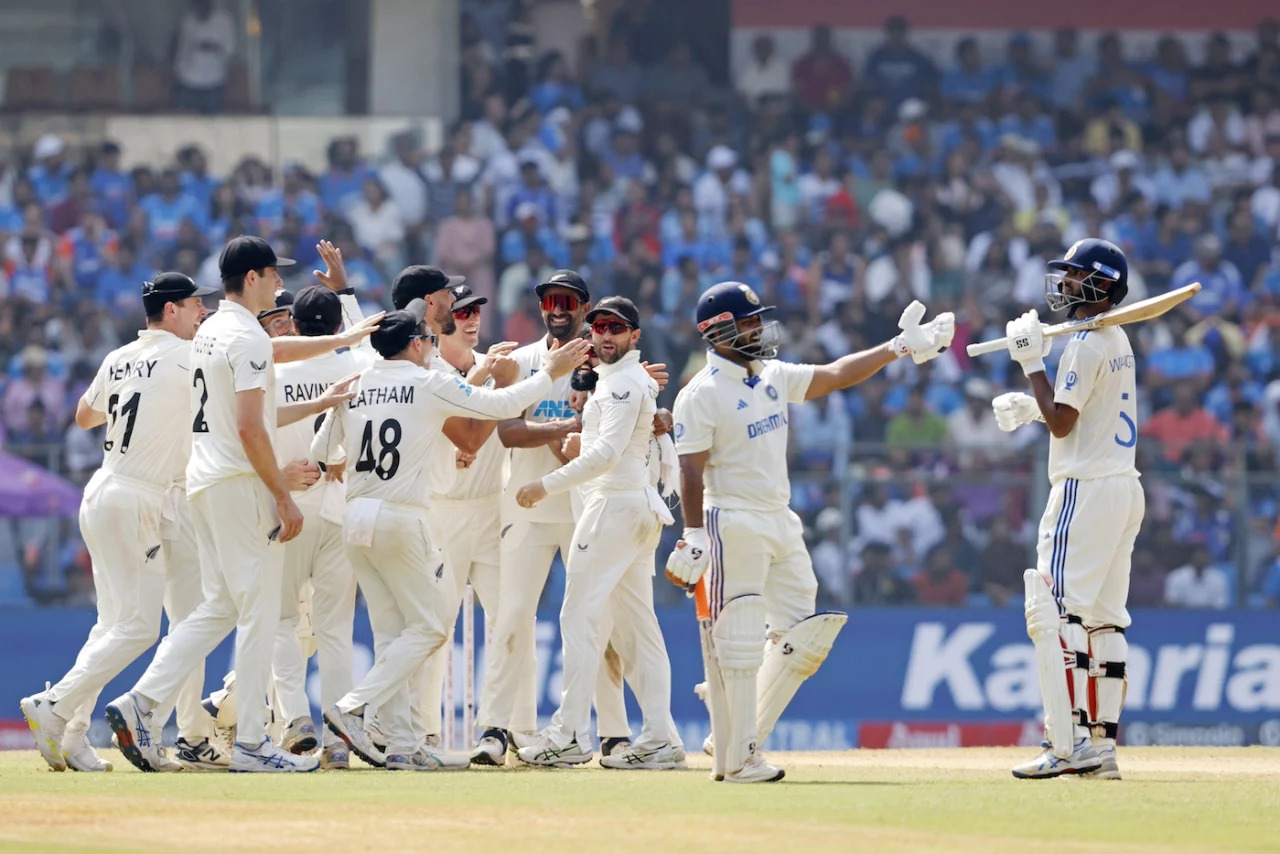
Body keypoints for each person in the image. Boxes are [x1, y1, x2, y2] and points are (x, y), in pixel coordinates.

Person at [103, 236, 378, 773]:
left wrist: (340, 340)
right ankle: (252, 741)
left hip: (205, 484)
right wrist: (282, 494)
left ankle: (140, 702)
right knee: (256, 613)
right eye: (273, 274)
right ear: (251, 278)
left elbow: (273, 354)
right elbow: (253, 425)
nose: (280, 283)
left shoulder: (213, 331)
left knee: (222, 607)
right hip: (238, 484)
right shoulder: (243, 336)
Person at [665, 281, 954, 782]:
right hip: (730, 518)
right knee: (739, 636)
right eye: (747, 322)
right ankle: (738, 759)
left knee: (806, 631)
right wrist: (693, 534)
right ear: (719, 332)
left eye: (757, 320)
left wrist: (898, 347)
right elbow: (690, 471)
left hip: (779, 516)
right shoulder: (701, 394)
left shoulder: (772, 374)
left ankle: (737, 718)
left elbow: (835, 375)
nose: (758, 329)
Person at [312, 299, 591, 771]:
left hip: (356, 516)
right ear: (417, 344)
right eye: (425, 340)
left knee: (392, 632)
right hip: (402, 516)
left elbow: (325, 451)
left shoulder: (357, 383)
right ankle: (353, 706)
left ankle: (403, 743)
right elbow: (501, 405)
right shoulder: (427, 381)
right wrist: (549, 372)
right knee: (429, 628)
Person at [19, 272, 216, 773]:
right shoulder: (188, 357)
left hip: (105, 490)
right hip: (139, 499)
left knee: (111, 625)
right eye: (196, 305)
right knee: (138, 629)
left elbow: (85, 417)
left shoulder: (119, 357)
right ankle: (56, 704)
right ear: (171, 311)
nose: (203, 314)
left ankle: (73, 735)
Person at [992, 237, 1141, 781]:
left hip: (1084, 488)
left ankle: (1066, 741)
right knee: (1104, 621)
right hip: (1123, 486)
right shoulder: (1116, 338)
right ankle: (1100, 747)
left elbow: (1064, 424)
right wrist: (1033, 408)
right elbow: (1083, 415)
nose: (1065, 284)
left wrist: (1032, 365)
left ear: (1100, 285)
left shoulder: (1085, 342)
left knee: (1055, 611)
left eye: (1075, 276)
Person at [514, 297, 684, 769]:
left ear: (635, 336)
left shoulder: (624, 385)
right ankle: (659, 741)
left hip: (613, 504)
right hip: (630, 508)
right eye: (599, 327)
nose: (605, 335)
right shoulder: (618, 380)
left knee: (577, 619)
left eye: (616, 328)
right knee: (637, 628)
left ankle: (568, 736)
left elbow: (605, 455)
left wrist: (542, 485)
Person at [470, 270, 630, 765]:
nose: (558, 309)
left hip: (587, 507)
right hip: (527, 504)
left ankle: (615, 733)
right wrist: (568, 430)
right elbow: (509, 432)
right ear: (542, 307)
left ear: (584, 308)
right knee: (512, 617)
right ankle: (494, 730)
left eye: (568, 301)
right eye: (550, 301)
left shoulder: (606, 363)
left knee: (596, 624)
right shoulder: (521, 361)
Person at [416, 284, 520, 748]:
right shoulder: (429, 370)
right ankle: (424, 733)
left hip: (493, 511)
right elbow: (465, 436)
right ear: (442, 321)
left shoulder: (497, 369)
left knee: (511, 620)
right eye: (462, 312)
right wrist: (483, 378)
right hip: (443, 512)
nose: (473, 318)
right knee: (434, 627)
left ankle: (515, 730)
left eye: (478, 309)